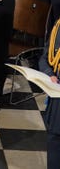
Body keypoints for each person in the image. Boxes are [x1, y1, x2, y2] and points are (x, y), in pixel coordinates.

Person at [38, 16, 60, 169]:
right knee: (54, 142)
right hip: (57, 104)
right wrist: (49, 73)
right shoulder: (58, 26)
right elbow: (45, 58)